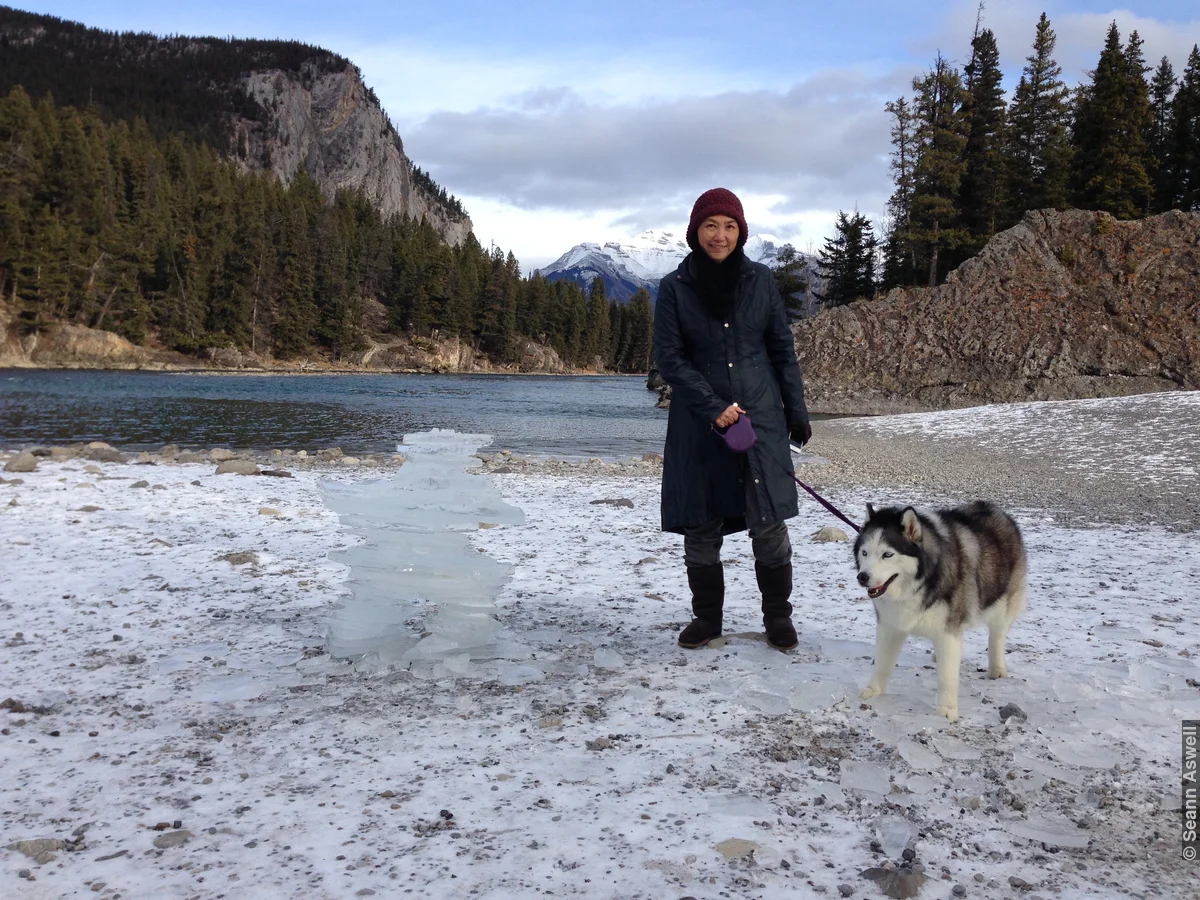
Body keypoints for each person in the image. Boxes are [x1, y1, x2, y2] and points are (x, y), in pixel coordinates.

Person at [653, 187, 812, 651]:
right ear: (694, 231)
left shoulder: (760, 282)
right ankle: (707, 618)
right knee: (702, 521)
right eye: (710, 226)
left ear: (740, 232)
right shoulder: (674, 287)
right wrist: (713, 406)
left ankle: (778, 618)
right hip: (698, 426)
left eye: (729, 226)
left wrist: (796, 413)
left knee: (768, 520)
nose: (719, 235)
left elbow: (781, 350)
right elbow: (671, 359)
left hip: (759, 419)